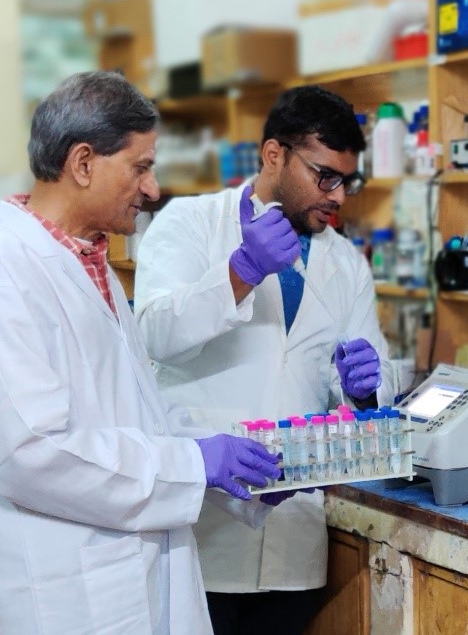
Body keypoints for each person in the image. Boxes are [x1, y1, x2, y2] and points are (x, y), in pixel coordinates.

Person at [0, 70, 289, 635]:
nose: (153, 189)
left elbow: (136, 420)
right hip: (70, 599)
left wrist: (242, 463)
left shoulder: (92, 269)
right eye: (141, 166)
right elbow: (32, 453)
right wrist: (195, 464)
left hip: (137, 580)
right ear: (84, 163)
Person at [135, 85, 397, 634]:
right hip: (202, 534)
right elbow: (153, 335)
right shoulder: (189, 224)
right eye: (324, 175)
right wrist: (241, 271)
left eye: (346, 181)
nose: (338, 196)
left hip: (294, 547)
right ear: (274, 155)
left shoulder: (346, 263)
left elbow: (363, 391)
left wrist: (365, 388)